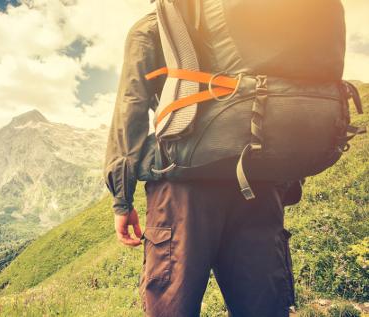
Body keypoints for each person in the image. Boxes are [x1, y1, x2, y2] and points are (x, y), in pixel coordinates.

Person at [104, 8, 302, 317]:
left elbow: (131, 110)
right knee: (264, 306)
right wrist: (288, 175)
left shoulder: (153, 26)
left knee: (172, 306)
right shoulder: (266, 19)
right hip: (259, 181)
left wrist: (122, 199)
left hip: (183, 189)